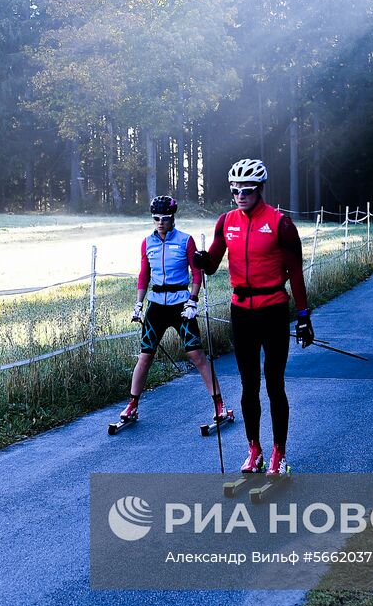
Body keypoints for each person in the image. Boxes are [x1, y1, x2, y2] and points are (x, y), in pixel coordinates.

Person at [193, 159, 311, 476]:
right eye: (234, 191)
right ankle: (254, 450)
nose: (240, 196)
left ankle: (278, 455)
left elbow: (296, 273)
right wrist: (201, 260)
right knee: (248, 387)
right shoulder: (226, 221)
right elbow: (213, 265)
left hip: (273, 309)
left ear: (259, 189)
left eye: (246, 190)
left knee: (274, 384)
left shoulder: (280, 223)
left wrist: (303, 316)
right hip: (241, 311)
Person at [119, 195, 227, 426]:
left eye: (165, 218)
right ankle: (132, 404)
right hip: (156, 305)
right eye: (156, 218)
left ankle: (219, 404)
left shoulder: (185, 240)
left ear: (172, 218)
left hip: (181, 304)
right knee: (145, 357)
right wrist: (138, 304)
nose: (160, 222)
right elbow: (144, 275)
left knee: (197, 356)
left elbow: (196, 273)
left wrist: (193, 301)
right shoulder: (147, 242)